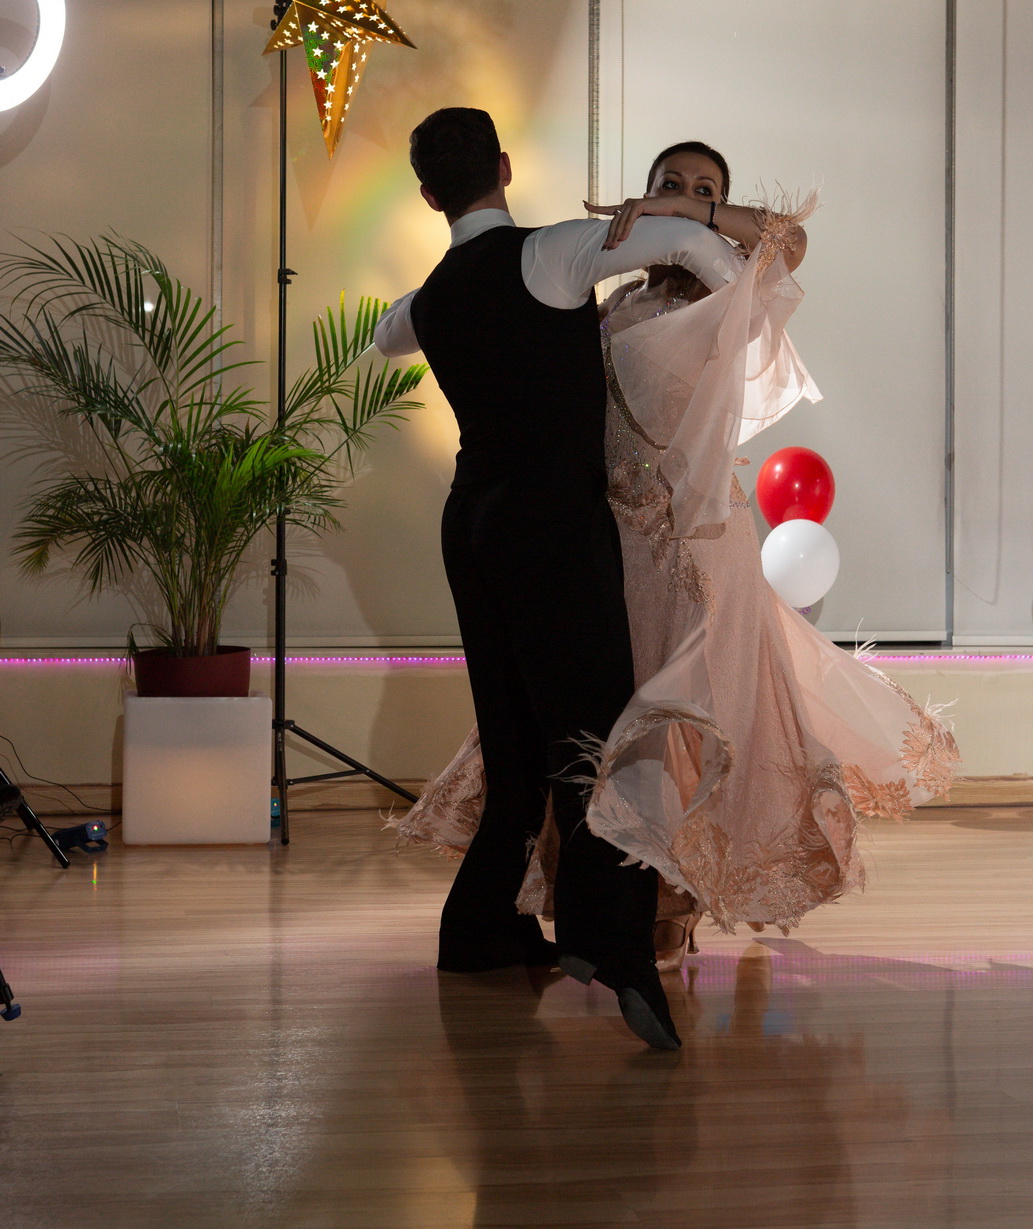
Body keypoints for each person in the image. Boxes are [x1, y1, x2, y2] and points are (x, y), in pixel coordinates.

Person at [396, 137, 960, 970]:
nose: (685, 195)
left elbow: (789, 241)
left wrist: (683, 211)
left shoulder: (735, 291)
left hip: (694, 545)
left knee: (689, 726)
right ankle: (615, 907)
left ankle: (668, 911)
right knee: (608, 724)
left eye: (703, 188)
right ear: (642, 190)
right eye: (669, 182)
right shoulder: (612, 298)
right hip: (610, 538)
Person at [374, 110, 777, 1050]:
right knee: (597, 735)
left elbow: (388, 336)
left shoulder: (433, 295)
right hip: (551, 525)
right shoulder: (550, 252)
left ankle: (479, 928)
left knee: (513, 734)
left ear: (428, 194)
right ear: (505, 167)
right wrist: (708, 291)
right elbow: (696, 251)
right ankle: (611, 944)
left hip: (470, 525)